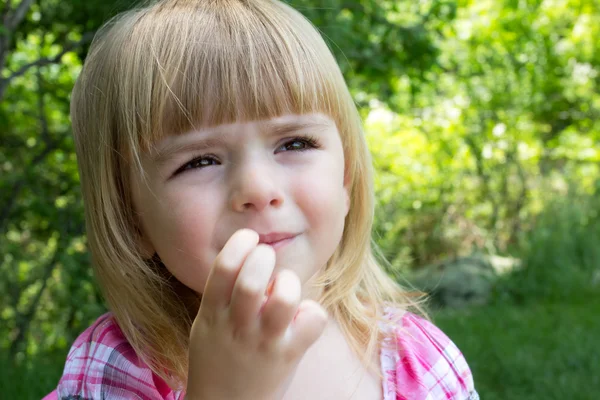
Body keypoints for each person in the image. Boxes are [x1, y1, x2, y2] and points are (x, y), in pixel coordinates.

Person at [44, 0, 479, 398]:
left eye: (294, 144)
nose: (258, 189)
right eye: (198, 161)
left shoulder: (418, 363)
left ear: (345, 180)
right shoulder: (118, 367)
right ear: (131, 218)